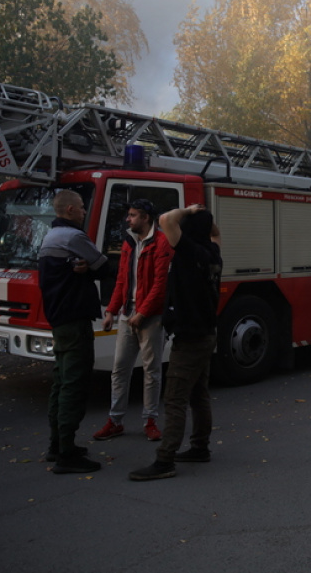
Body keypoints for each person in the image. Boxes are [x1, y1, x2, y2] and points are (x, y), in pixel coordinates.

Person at [129, 204, 223, 481]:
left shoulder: (188, 251)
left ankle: (165, 459)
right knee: (198, 394)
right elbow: (215, 233)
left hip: (190, 338)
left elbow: (165, 218)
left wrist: (190, 208)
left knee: (175, 398)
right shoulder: (212, 253)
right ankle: (199, 447)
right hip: (206, 333)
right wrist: (202, 220)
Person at [38, 189, 111, 474]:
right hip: (74, 321)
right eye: (81, 208)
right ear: (69, 210)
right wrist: (89, 270)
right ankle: (67, 454)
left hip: (60, 321)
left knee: (60, 383)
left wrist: (81, 270)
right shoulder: (73, 237)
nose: (84, 212)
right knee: (74, 385)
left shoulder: (49, 237)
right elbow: (103, 266)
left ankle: (56, 446)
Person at [93, 199, 173, 443]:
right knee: (120, 369)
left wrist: (143, 313)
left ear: (146, 218)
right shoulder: (129, 243)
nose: (128, 219)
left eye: (133, 215)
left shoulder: (162, 243)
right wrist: (111, 311)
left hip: (150, 317)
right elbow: (122, 280)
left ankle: (150, 420)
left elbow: (161, 285)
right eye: (128, 215)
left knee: (152, 370)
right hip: (128, 314)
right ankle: (115, 420)